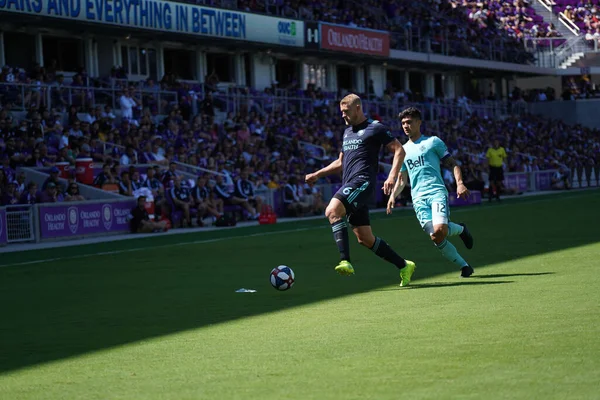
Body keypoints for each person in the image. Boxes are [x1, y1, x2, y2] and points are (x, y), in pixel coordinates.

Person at [305, 93, 416, 286]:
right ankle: (404, 265)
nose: (343, 116)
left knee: (332, 211)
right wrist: (318, 174)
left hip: (362, 182)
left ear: (358, 108)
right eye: (341, 112)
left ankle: (345, 260)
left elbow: (400, 150)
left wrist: (392, 175)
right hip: (350, 184)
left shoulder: (376, 128)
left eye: (345, 112)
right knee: (365, 238)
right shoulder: (347, 132)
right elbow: (340, 162)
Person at [387, 107, 474, 278]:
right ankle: (464, 265)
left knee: (441, 228)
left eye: (409, 122)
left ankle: (461, 230)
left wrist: (460, 184)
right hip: (418, 198)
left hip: (436, 192)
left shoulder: (433, 142)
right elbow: (403, 179)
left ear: (419, 122)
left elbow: (453, 164)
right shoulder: (402, 151)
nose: (405, 126)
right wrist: (392, 196)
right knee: (436, 236)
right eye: (403, 123)